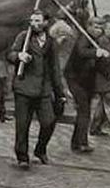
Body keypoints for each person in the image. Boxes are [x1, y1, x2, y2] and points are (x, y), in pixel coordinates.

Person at [8, 10, 66, 167]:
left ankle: (40, 150)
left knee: (49, 122)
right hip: (23, 87)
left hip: (44, 90)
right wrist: (19, 56)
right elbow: (11, 54)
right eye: (32, 20)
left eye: (37, 20)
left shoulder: (51, 42)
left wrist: (60, 93)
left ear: (46, 22)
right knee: (22, 125)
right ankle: (22, 157)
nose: (34, 24)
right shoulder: (24, 37)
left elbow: (55, 68)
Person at [64, 16, 110, 153]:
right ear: (88, 27)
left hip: (87, 81)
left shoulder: (96, 41)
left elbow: (100, 64)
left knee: (84, 112)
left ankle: (76, 143)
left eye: (101, 27)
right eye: (96, 26)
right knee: (84, 111)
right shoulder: (84, 38)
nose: (99, 30)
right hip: (75, 79)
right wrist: (97, 52)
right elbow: (81, 52)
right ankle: (81, 143)